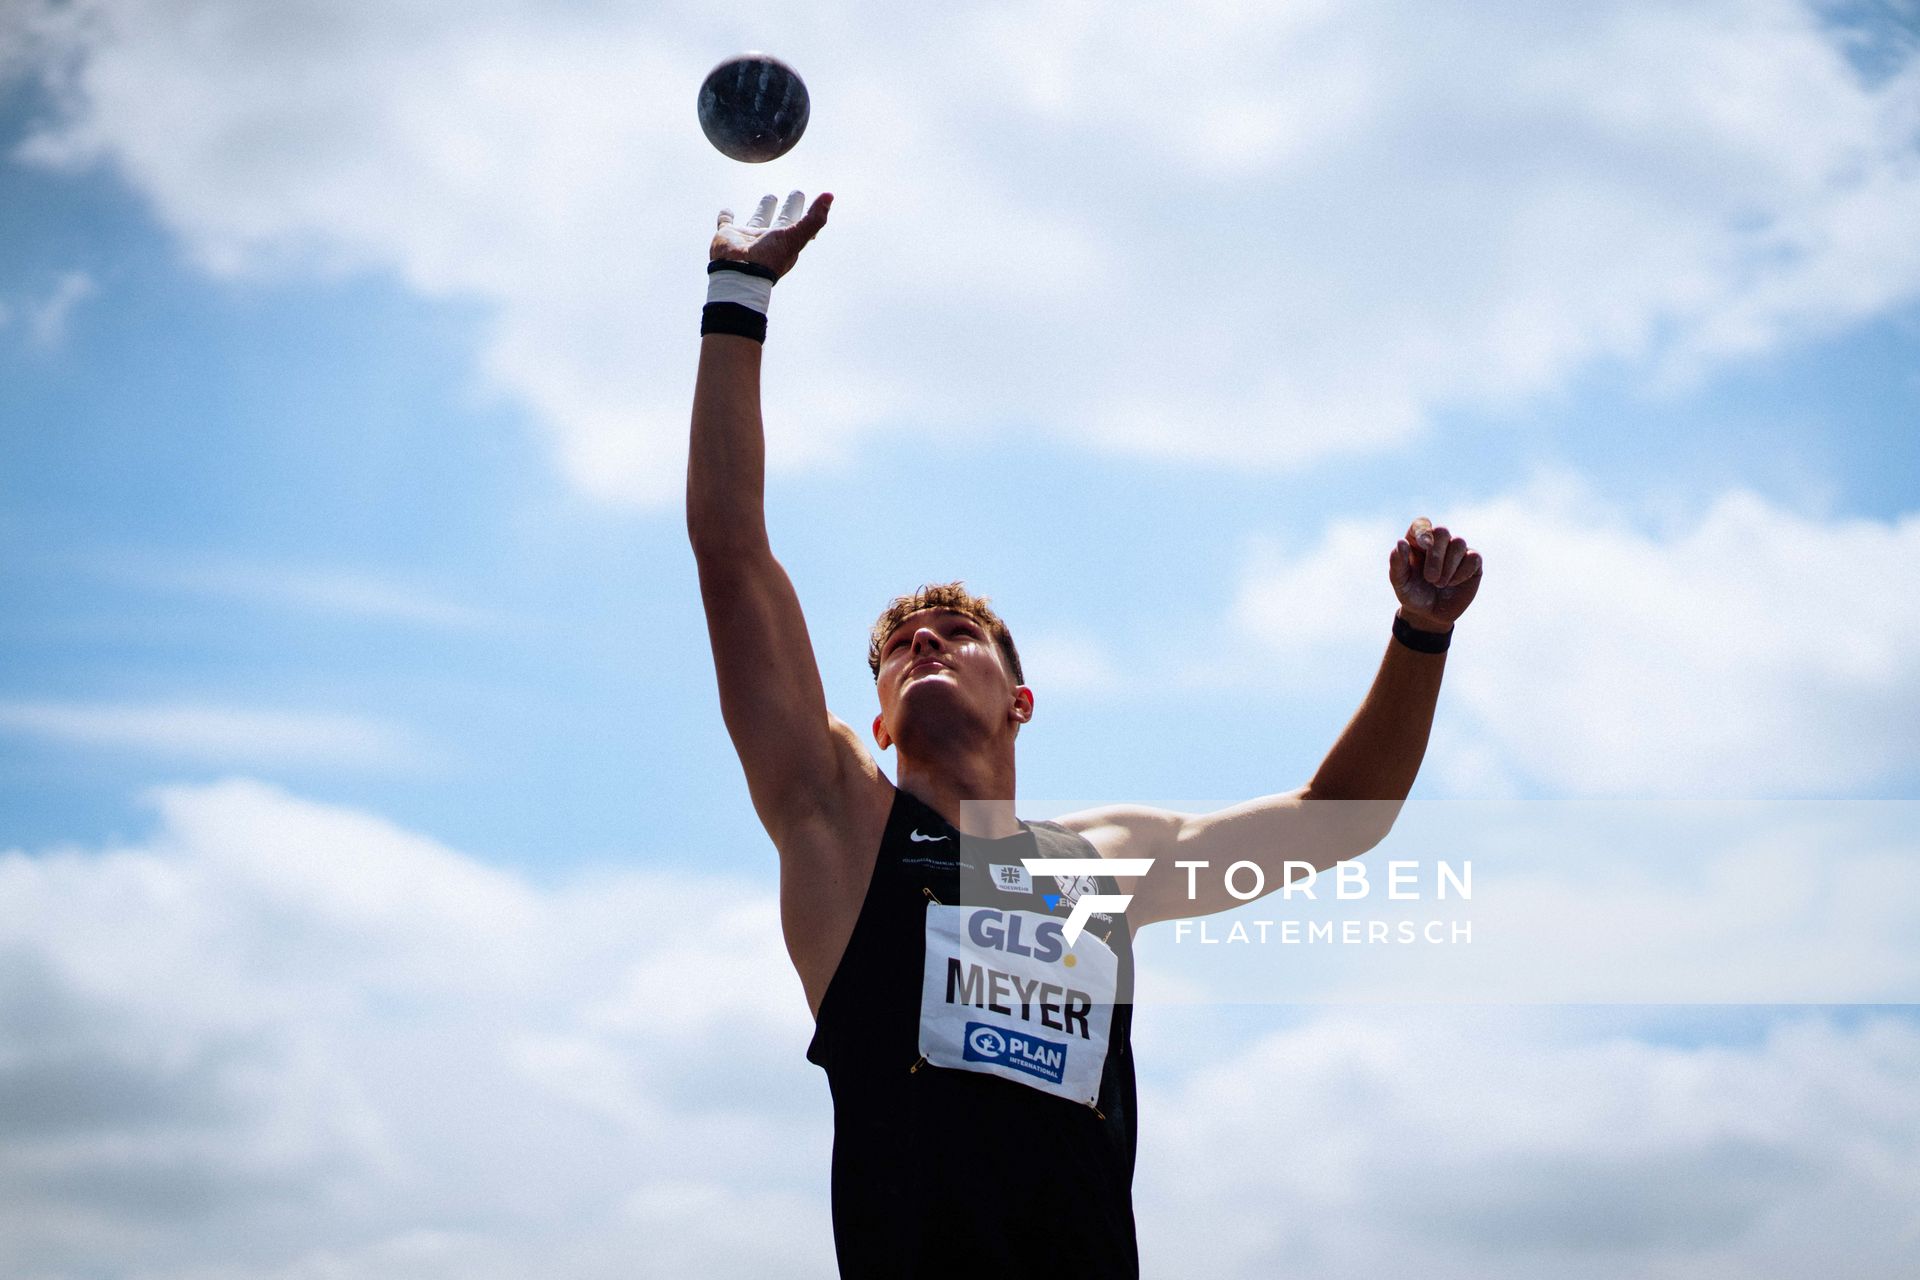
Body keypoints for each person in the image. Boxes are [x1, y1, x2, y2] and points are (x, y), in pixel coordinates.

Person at [686, 190, 1484, 1279]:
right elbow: (733, 554)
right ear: (877, 715)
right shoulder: (836, 818)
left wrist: (1418, 632)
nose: (924, 637)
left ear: (1020, 699)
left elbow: (1340, 819)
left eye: (956, 632)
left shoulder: (1103, 861)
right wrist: (739, 294)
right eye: (901, 643)